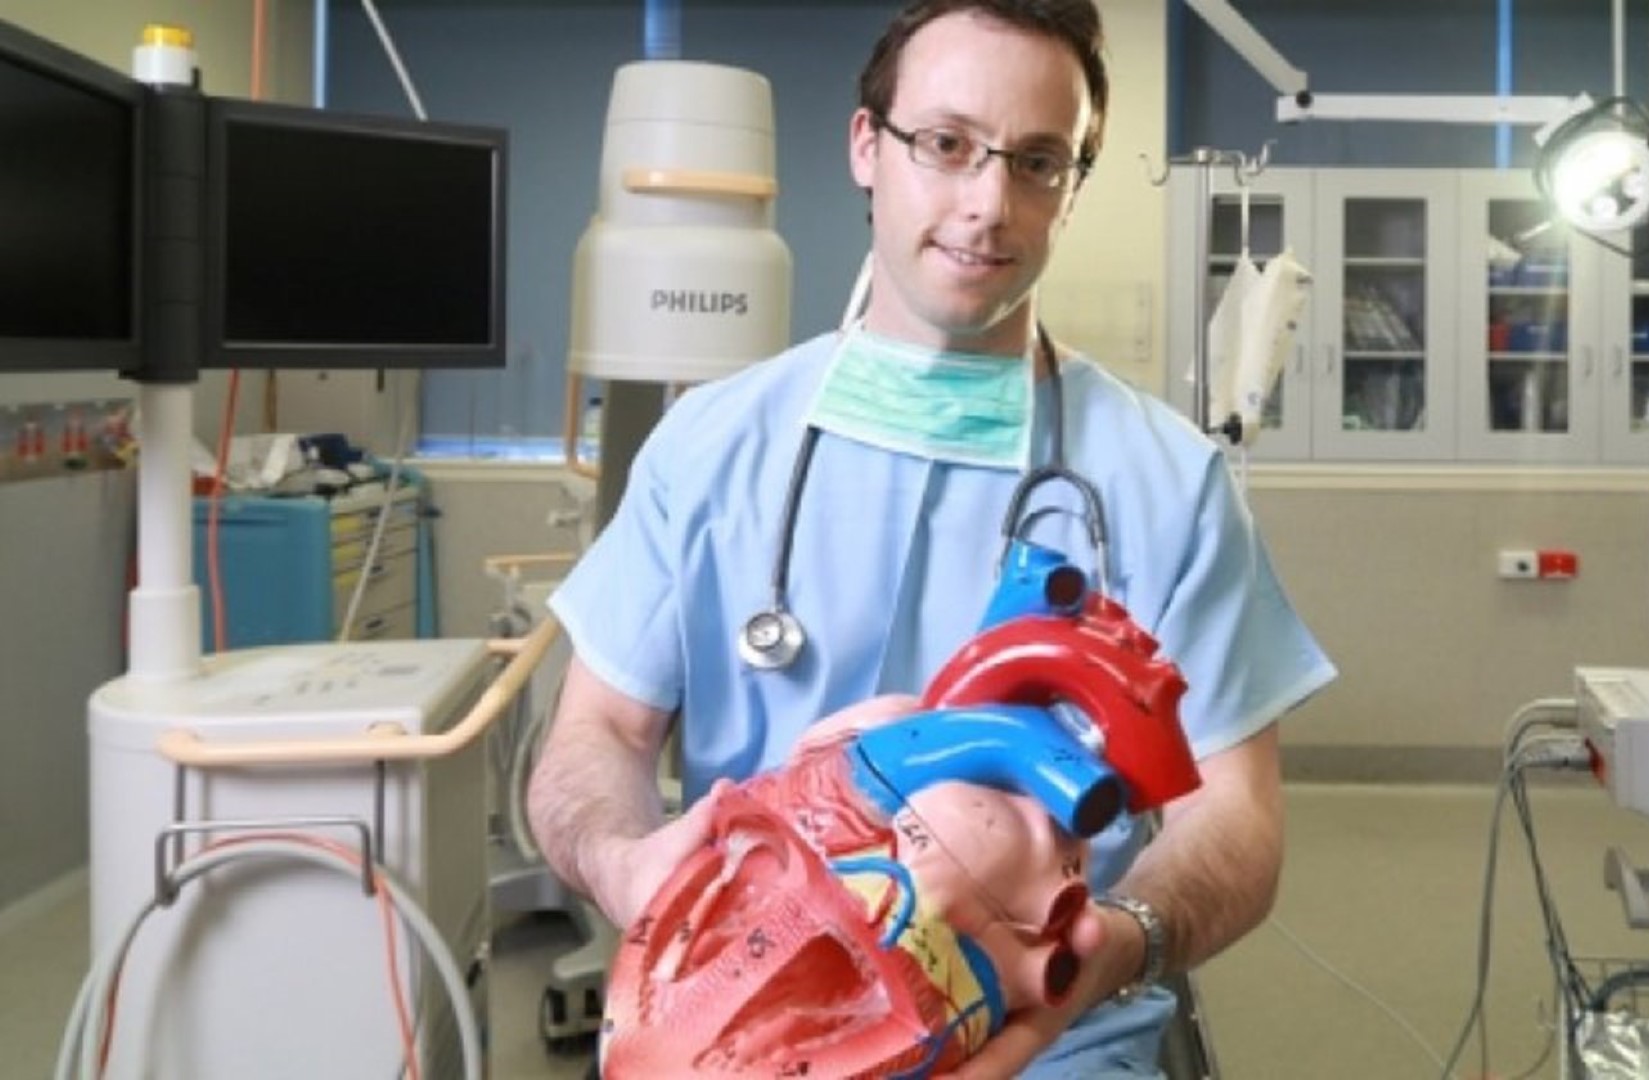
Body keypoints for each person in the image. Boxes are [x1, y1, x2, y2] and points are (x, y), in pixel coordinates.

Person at [528, 0, 1336, 1075]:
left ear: (1072, 187)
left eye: (1037, 162)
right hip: (752, 1021)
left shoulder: (1167, 483)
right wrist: (627, 866)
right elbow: (599, 735)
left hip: (1049, 1042)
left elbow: (1235, 819)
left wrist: (1108, 947)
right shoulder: (710, 448)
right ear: (868, 147)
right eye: (947, 144)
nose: (988, 205)